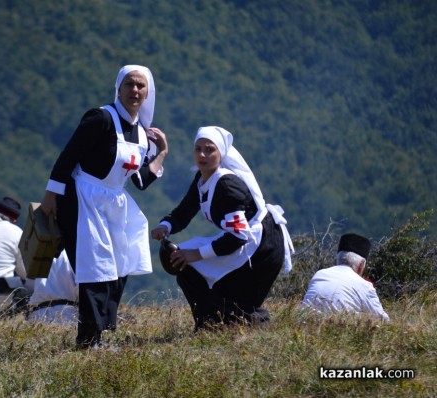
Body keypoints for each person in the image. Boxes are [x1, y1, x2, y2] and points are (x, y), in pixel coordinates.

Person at [40, 65, 168, 348]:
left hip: (113, 201)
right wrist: (52, 196)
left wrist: (161, 154)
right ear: (118, 88)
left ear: (148, 93)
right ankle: (88, 340)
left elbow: (141, 181)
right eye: (130, 85)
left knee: (120, 266)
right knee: (94, 269)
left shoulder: (142, 134)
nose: (135, 91)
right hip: (83, 197)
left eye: (141, 86)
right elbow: (68, 156)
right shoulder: (100, 118)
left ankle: (101, 333)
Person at [151, 126, 293, 330]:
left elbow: (238, 237)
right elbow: (186, 209)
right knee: (190, 267)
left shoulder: (227, 186)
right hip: (246, 241)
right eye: (198, 149)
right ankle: (215, 324)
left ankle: (226, 324)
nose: (202, 154)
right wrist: (166, 226)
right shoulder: (203, 178)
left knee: (192, 267)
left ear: (221, 153)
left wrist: (196, 254)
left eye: (209, 149)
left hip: (262, 248)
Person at [301, 233, 389, 320]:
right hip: (337, 329)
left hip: (305, 325)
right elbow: (383, 320)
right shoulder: (364, 286)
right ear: (361, 265)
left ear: (337, 258)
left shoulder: (319, 274)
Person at [26, 250, 79, 325]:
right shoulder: (76, 253)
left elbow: (28, 286)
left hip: (38, 313)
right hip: (67, 314)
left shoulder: (40, 252)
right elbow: (82, 291)